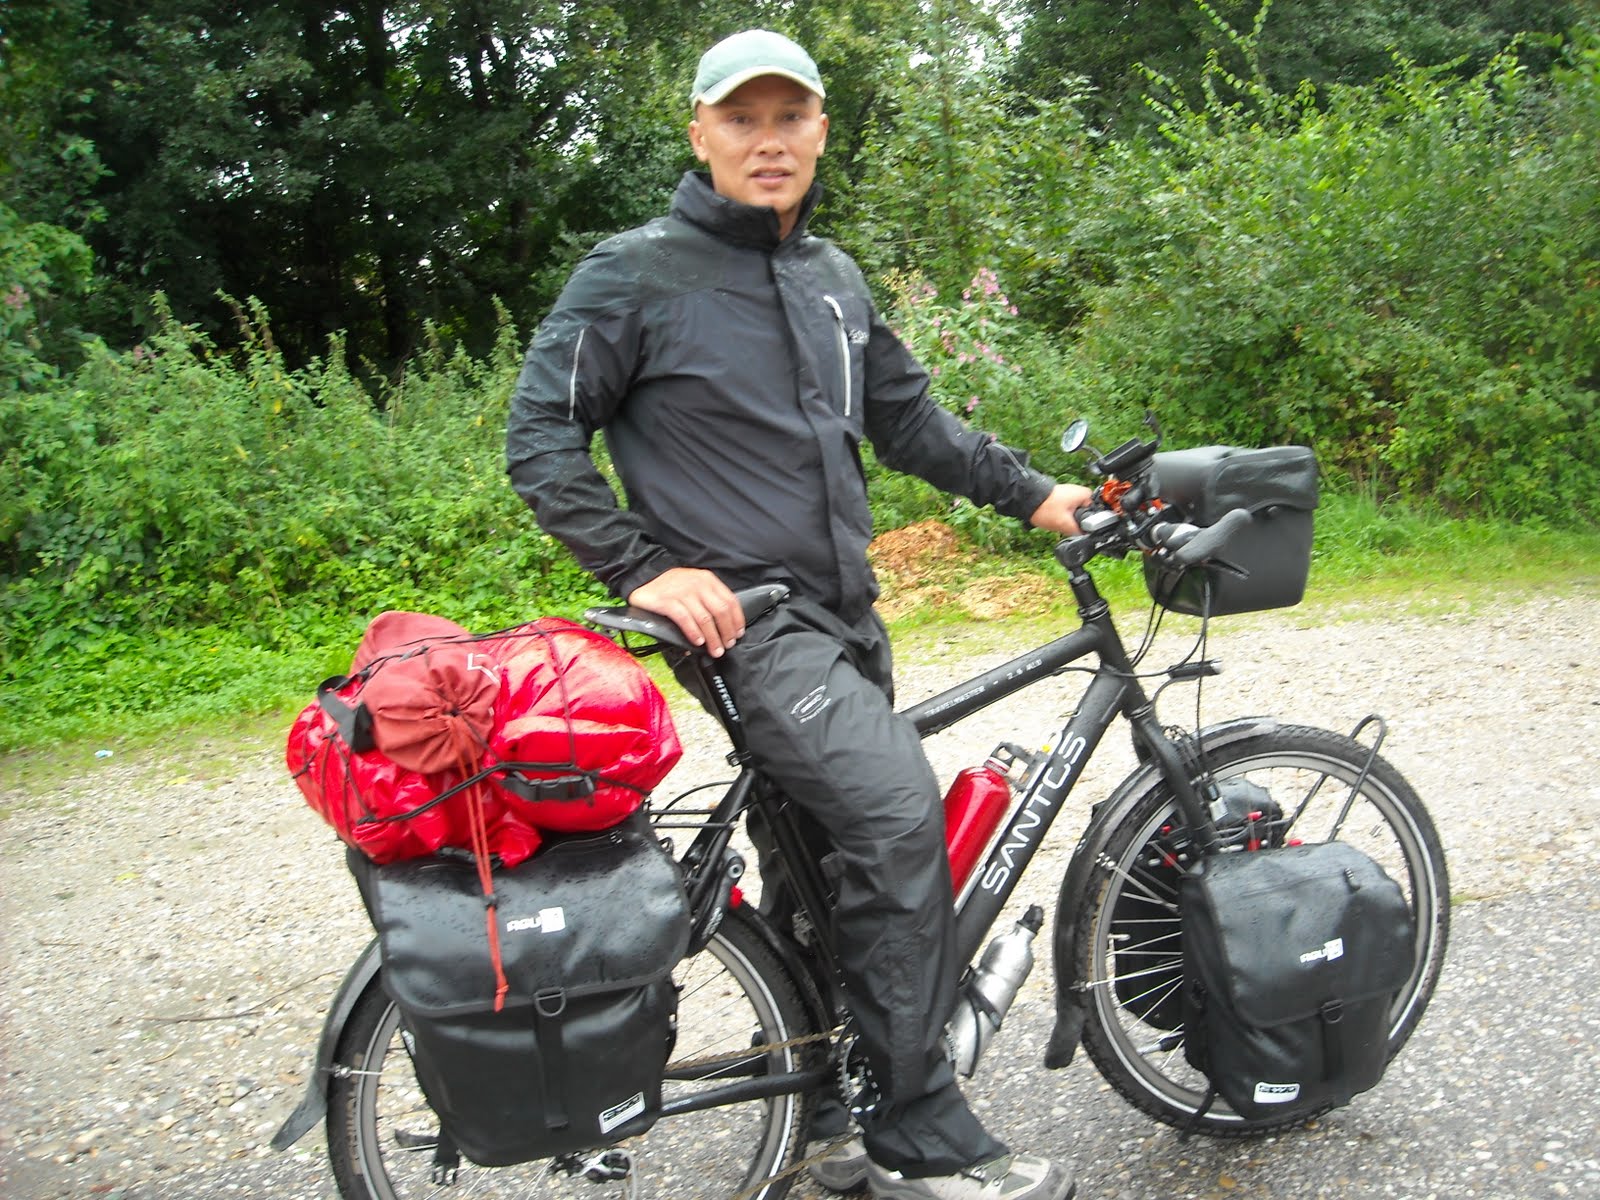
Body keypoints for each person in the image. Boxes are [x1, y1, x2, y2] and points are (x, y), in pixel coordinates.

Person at [506, 28, 1090, 1200]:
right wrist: (641, 568)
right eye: (741, 119)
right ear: (700, 135)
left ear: (821, 130)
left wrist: (1040, 498)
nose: (766, 142)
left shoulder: (832, 278)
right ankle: (918, 1133)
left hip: (844, 617)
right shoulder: (634, 274)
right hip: (750, 628)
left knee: (818, 868)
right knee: (896, 819)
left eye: (789, 118)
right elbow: (540, 436)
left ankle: (828, 1114)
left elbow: (909, 423)